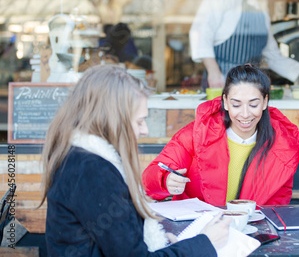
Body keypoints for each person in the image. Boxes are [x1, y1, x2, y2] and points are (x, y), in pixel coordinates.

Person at [40, 65, 231, 256]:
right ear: (112, 120)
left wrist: (170, 247)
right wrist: (205, 243)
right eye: (139, 121)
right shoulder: (93, 171)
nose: (145, 130)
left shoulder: (80, 159)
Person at [142, 64, 299, 205]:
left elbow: (278, 202)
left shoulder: (282, 145)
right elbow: (149, 182)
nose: (245, 114)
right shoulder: (195, 134)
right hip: (197, 231)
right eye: (236, 104)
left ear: (265, 102)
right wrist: (165, 180)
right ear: (225, 102)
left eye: (253, 104)